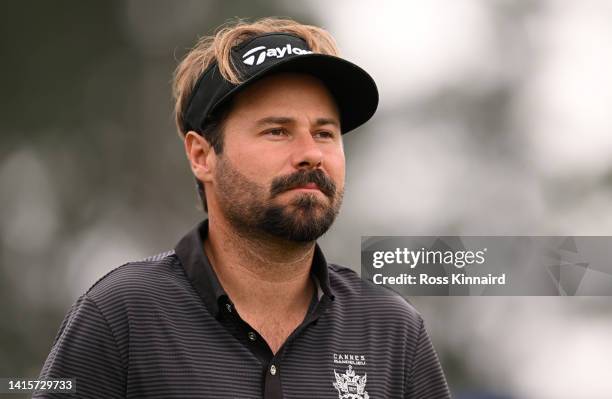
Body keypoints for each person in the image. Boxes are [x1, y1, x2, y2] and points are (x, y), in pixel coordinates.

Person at [35, 17, 451, 399]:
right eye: (277, 131)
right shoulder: (122, 315)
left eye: (325, 133)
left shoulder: (393, 331)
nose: (311, 154)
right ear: (202, 155)